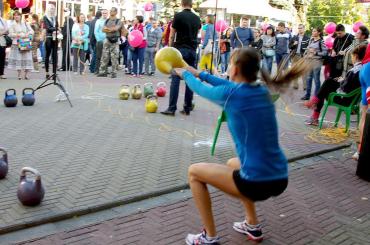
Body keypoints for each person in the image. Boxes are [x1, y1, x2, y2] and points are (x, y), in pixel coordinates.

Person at [172, 47, 311, 245]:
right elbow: (227, 85)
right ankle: (252, 225)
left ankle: (208, 237)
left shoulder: (231, 94)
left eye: (230, 64)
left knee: (194, 172)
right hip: (280, 177)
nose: (228, 67)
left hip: (256, 184)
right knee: (232, 163)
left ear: (235, 69)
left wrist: (184, 73)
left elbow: (201, 89)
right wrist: (199, 73)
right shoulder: (262, 91)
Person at [305, 45, 366, 126]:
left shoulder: (355, 70)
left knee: (327, 86)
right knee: (329, 82)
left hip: (345, 99)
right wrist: (342, 80)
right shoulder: (362, 68)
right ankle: (315, 108)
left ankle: (315, 111)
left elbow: (345, 88)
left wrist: (341, 81)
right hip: (352, 99)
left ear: (356, 56)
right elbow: (351, 85)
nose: (352, 58)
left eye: (352, 56)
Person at [160, 0, 201, 116]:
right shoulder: (197, 18)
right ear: (191, 4)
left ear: (182, 4)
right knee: (190, 78)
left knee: (175, 78)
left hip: (180, 50)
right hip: (192, 50)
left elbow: (172, 34)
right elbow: (197, 33)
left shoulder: (178, 16)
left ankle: (172, 108)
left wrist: (170, 48)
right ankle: (187, 107)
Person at [353, 44, 370, 160]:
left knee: (364, 115)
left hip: (365, 68)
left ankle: (359, 149)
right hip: (368, 70)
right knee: (367, 116)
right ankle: (360, 150)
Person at [301, 27, 327, 100]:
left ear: (319, 32)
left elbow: (325, 53)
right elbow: (308, 49)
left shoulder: (321, 42)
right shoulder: (311, 40)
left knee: (316, 80)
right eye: (312, 31)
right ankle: (307, 95)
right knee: (309, 79)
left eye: (314, 31)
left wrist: (316, 52)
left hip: (317, 62)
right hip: (309, 61)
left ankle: (316, 97)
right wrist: (306, 54)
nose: (312, 32)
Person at [8, 10, 34, 80]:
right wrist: (19, 35)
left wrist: (27, 34)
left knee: (27, 58)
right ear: (13, 16)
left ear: (20, 16)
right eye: (15, 15)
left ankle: (26, 75)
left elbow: (31, 31)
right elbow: (10, 34)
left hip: (26, 43)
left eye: (18, 15)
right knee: (18, 59)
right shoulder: (12, 24)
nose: (16, 16)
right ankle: (19, 75)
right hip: (17, 43)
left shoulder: (25, 23)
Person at [97, 7, 122, 78]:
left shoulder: (118, 21)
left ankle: (114, 73)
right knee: (104, 56)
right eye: (110, 11)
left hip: (115, 41)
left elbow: (116, 29)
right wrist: (111, 29)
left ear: (116, 12)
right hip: (107, 39)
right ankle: (103, 72)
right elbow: (103, 29)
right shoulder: (107, 20)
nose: (111, 12)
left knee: (114, 57)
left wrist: (108, 29)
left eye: (112, 11)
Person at [289, 24, 310, 89]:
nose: (299, 29)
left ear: (304, 29)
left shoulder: (307, 38)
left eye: (301, 28)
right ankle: (295, 85)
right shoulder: (294, 37)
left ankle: (305, 86)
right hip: (295, 56)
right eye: (299, 28)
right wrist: (293, 44)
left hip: (303, 56)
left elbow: (309, 48)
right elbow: (289, 46)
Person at [42, 4, 58, 79]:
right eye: (51, 8)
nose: (52, 10)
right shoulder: (45, 17)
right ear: (48, 9)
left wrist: (56, 29)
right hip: (48, 38)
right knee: (47, 55)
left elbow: (56, 26)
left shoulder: (55, 17)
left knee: (55, 56)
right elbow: (48, 28)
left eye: (53, 9)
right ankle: (47, 72)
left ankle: (54, 73)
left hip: (55, 38)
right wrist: (56, 29)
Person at [94, 9, 108, 75]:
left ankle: (104, 70)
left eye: (106, 13)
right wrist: (99, 40)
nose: (104, 14)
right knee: (98, 56)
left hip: (107, 41)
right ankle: (97, 70)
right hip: (100, 41)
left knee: (106, 56)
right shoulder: (98, 21)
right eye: (103, 13)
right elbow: (96, 31)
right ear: (101, 14)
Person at [0, 11, 9, 79]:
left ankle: (1, 73)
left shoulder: (3, 20)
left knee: (2, 57)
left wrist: (2, 33)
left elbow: (7, 30)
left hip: (2, 41)